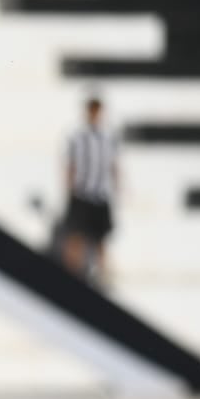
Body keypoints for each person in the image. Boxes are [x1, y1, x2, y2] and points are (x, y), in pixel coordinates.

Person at [61, 96, 118, 283]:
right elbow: (71, 165)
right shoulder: (77, 137)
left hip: (101, 194)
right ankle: (71, 277)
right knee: (76, 237)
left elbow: (113, 165)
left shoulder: (108, 138)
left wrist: (117, 187)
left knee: (101, 240)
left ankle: (102, 278)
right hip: (81, 194)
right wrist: (69, 189)